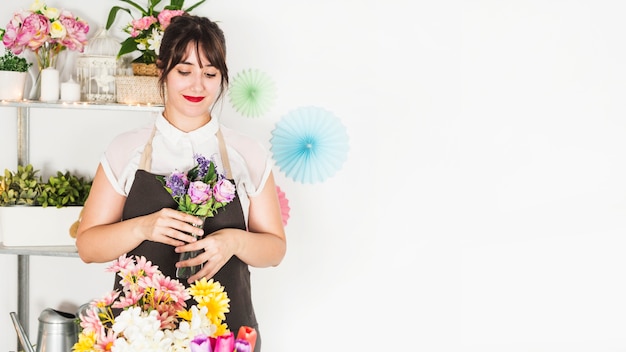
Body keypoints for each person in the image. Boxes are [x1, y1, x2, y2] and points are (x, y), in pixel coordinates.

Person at [75, 14, 286, 351]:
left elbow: (275, 249)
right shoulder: (126, 148)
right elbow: (87, 246)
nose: (197, 86)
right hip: (142, 333)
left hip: (225, 333)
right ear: (162, 71)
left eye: (210, 74)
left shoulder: (247, 152)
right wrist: (143, 227)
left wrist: (233, 242)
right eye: (184, 71)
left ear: (222, 78)